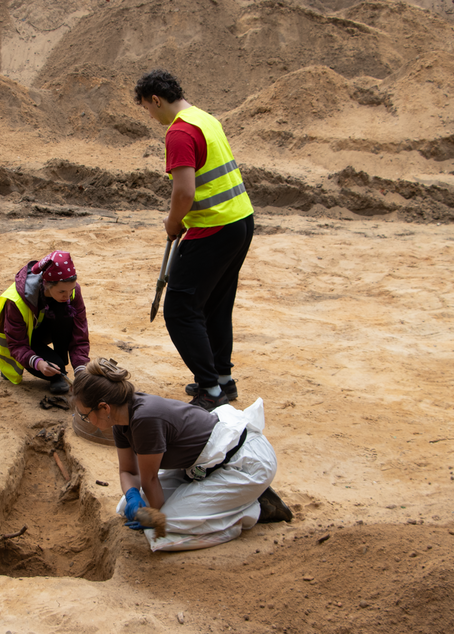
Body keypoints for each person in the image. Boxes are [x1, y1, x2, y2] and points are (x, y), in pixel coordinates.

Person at [71, 358, 291, 552]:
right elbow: (129, 470)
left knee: (166, 529)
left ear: (104, 407)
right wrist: (131, 495)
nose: (85, 420)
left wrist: (154, 516)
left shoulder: (144, 419)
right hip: (203, 465)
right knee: (124, 508)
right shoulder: (120, 420)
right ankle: (226, 500)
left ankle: (251, 507)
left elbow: (149, 481)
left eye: (85, 415)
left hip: (244, 462)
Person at [134, 69, 256, 411]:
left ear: (155, 100)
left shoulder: (179, 132)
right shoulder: (204, 118)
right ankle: (222, 379)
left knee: (180, 309)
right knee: (216, 304)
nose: (150, 115)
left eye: (147, 108)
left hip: (213, 228)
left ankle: (210, 391)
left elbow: (184, 192)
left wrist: (173, 222)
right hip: (240, 221)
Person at [0, 250, 90, 394]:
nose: (68, 295)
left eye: (70, 291)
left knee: (65, 311)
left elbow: (79, 334)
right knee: (54, 367)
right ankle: (56, 370)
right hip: (21, 339)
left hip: (42, 328)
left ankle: (58, 365)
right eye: (62, 291)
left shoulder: (71, 291)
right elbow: (16, 343)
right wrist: (38, 363)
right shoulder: (15, 300)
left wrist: (81, 369)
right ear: (46, 284)